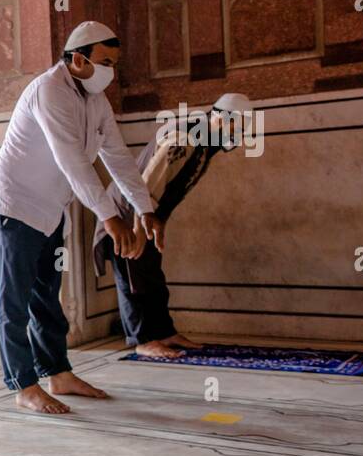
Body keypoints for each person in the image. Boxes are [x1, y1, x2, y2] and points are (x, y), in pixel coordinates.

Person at [0, 20, 163, 416]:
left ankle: (58, 374)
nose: (111, 72)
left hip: (49, 212)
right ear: (78, 59)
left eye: (114, 63)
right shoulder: (48, 90)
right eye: (105, 62)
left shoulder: (95, 102)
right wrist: (110, 218)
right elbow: (73, 161)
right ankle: (24, 385)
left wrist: (145, 208)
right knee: (13, 301)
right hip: (11, 209)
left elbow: (118, 158)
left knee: (47, 298)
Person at [92, 92, 251, 357]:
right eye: (237, 127)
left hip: (147, 215)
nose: (238, 135)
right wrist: (140, 226)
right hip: (127, 215)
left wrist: (158, 223)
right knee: (134, 278)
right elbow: (148, 184)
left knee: (152, 275)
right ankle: (142, 340)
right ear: (222, 120)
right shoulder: (184, 138)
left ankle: (164, 332)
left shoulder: (204, 143)